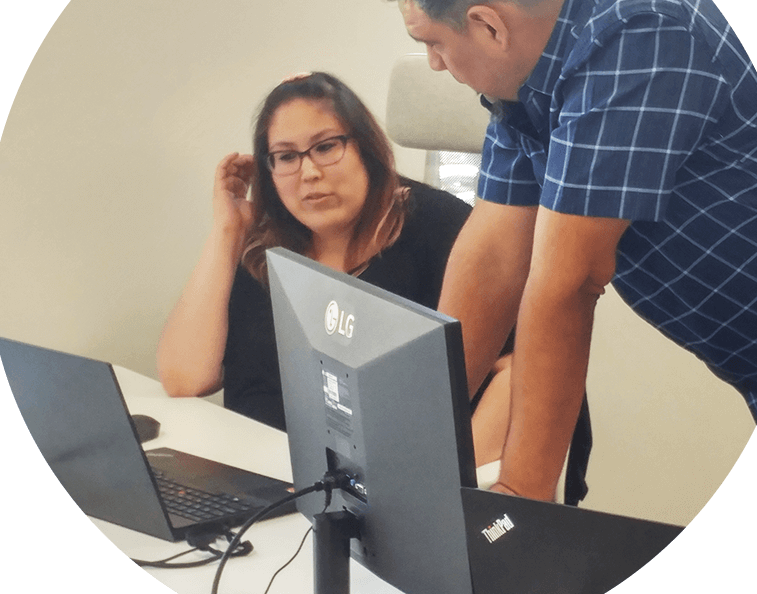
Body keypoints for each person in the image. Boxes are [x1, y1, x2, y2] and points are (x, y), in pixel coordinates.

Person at [369, 0, 757, 501]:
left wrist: (521, 499)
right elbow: (495, 250)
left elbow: (568, 283)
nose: (434, 63)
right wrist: (403, 435)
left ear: (488, 25)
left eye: (433, 41)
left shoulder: (642, 31)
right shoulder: (532, 69)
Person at [156, 71, 515, 475]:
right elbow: (185, 378)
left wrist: (446, 485)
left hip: (394, 490)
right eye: (287, 157)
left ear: (366, 148)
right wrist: (228, 230)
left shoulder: (439, 227)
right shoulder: (264, 244)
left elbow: (515, 374)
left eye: (326, 147)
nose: (308, 173)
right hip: (264, 482)